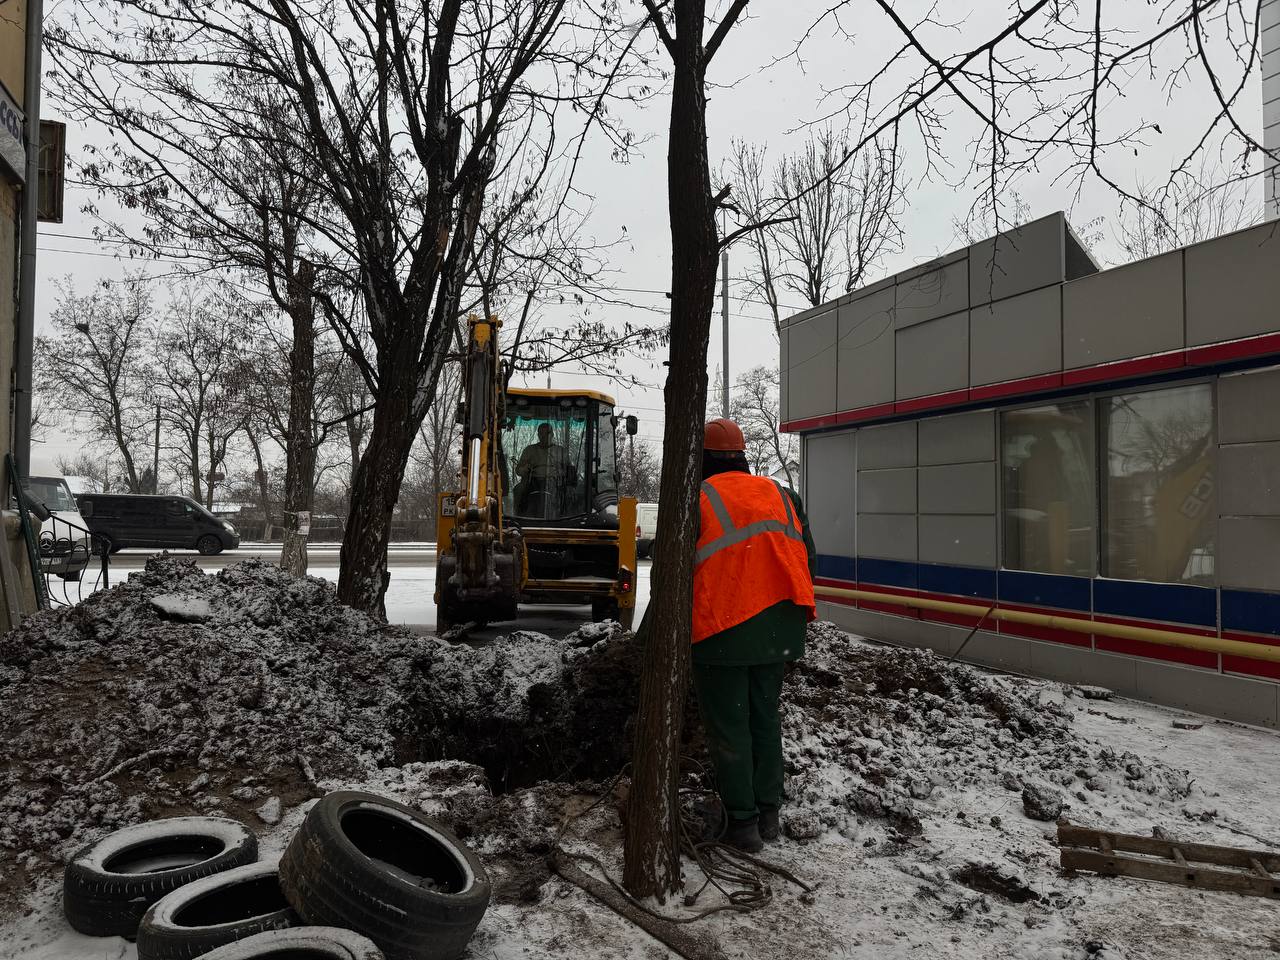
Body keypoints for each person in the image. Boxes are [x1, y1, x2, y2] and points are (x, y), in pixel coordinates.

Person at [692, 417, 816, 853]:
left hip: (722, 625)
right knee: (764, 717)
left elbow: (675, 573)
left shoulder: (699, 497)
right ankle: (768, 814)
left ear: (703, 458)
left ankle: (741, 825)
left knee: (730, 725)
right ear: (742, 455)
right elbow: (809, 557)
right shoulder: (782, 494)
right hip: (779, 627)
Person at [515, 422, 564, 514]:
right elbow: (519, 470)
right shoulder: (529, 450)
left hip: (555, 483)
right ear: (538, 435)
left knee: (570, 493)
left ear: (552, 434)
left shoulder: (560, 451)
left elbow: (569, 471)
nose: (544, 436)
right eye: (541, 433)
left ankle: (564, 515)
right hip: (532, 482)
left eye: (547, 433)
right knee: (518, 489)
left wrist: (561, 472)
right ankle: (519, 515)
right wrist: (525, 469)